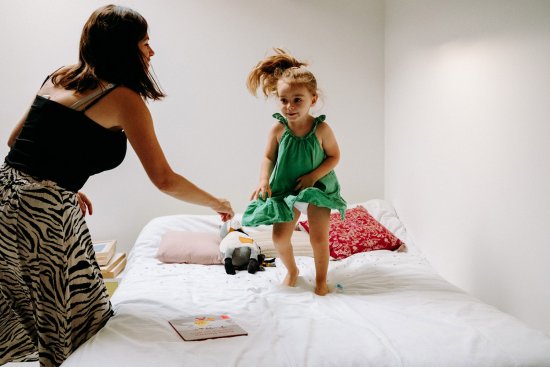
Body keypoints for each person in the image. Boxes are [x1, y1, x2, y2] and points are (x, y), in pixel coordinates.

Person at [0, 5, 233, 367]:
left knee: (23, 302)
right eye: (145, 43)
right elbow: (164, 179)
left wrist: (60, 182)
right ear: (124, 48)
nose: (151, 52)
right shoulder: (124, 99)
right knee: (67, 315)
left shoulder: (59, 76)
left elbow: (17, 142)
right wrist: (216, 201)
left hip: (7, 194)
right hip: (42, 214)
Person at [242, 48, 346, 296]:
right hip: (287, 190)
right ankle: (292, 270)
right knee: (280, 238)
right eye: (284, 100)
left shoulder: (322, 130)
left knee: (318, 239)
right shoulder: (278, 129)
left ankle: (321, 280)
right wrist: (264, 179)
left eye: (297, 99)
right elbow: (268, 157)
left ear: (313, 99)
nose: (289, 106)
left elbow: (335, 157)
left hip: (318, 190)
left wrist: (313, 176)